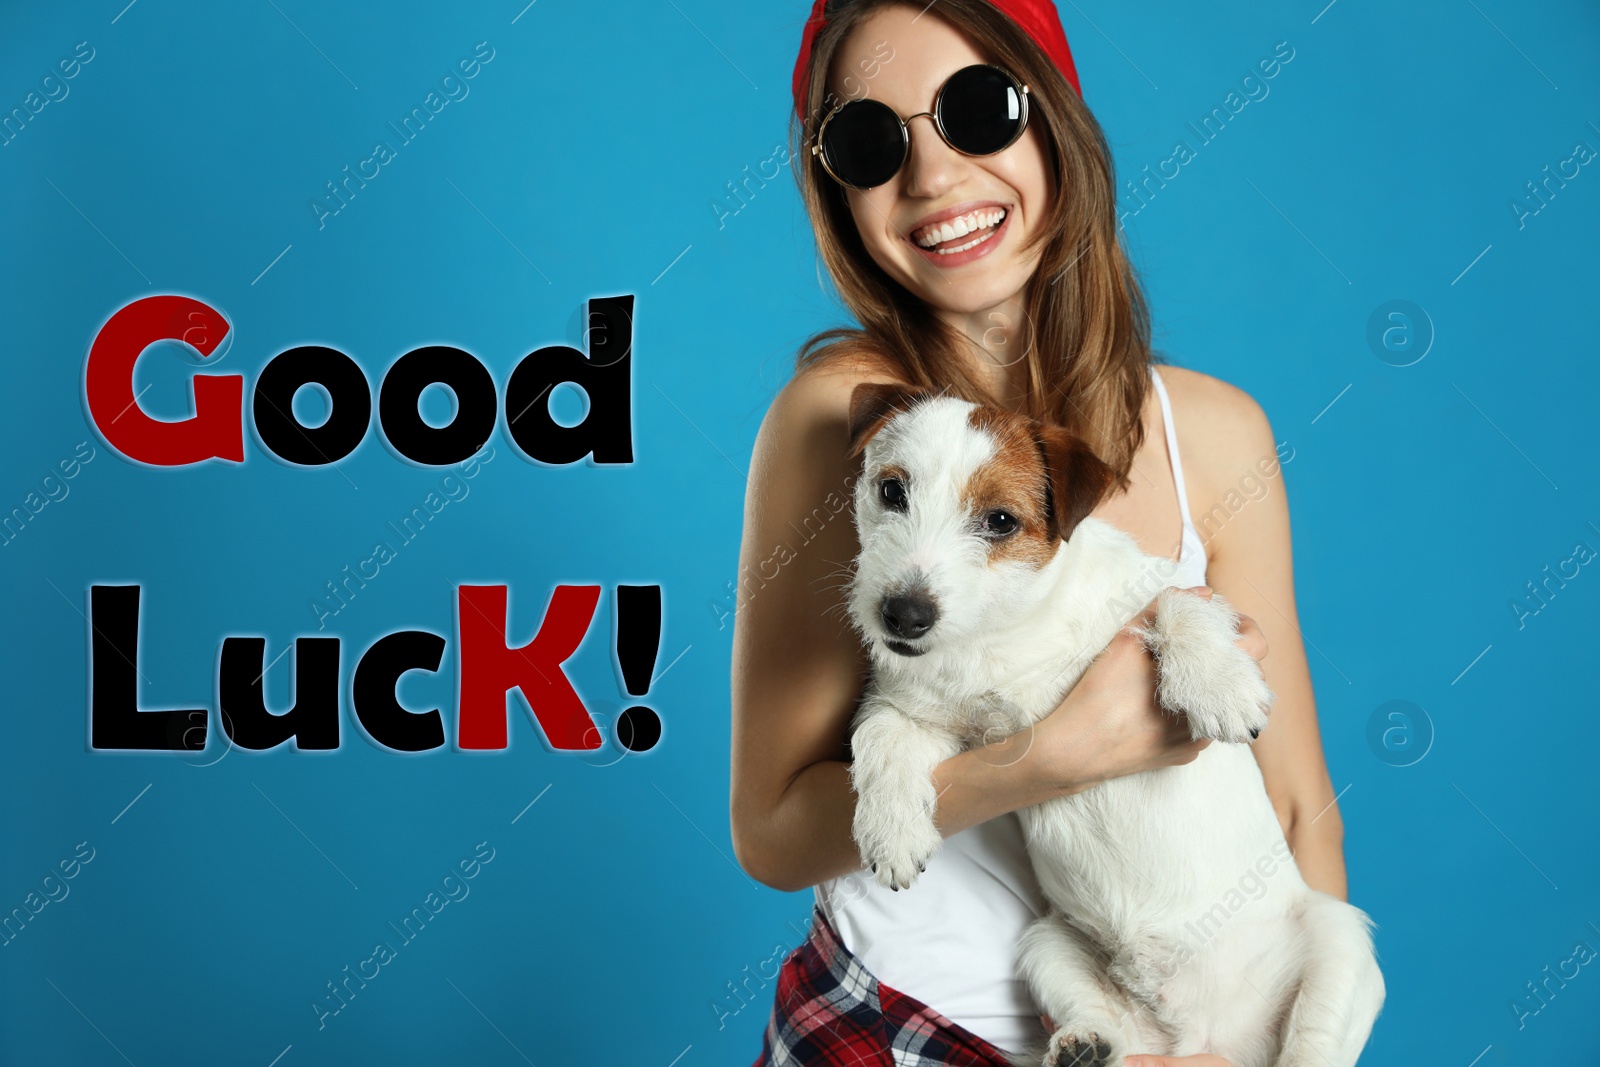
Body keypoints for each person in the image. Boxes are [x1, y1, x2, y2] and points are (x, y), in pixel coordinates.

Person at [730, 2, 1348, 1064]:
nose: (930, 179)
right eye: (871, 142)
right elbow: (773, 827)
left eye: (977, 110)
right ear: (838, 191)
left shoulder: (1216, 433)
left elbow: (1298, 808)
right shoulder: (846, 417)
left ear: (1053, 121)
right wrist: (1041, 758)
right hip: (896, 1028)